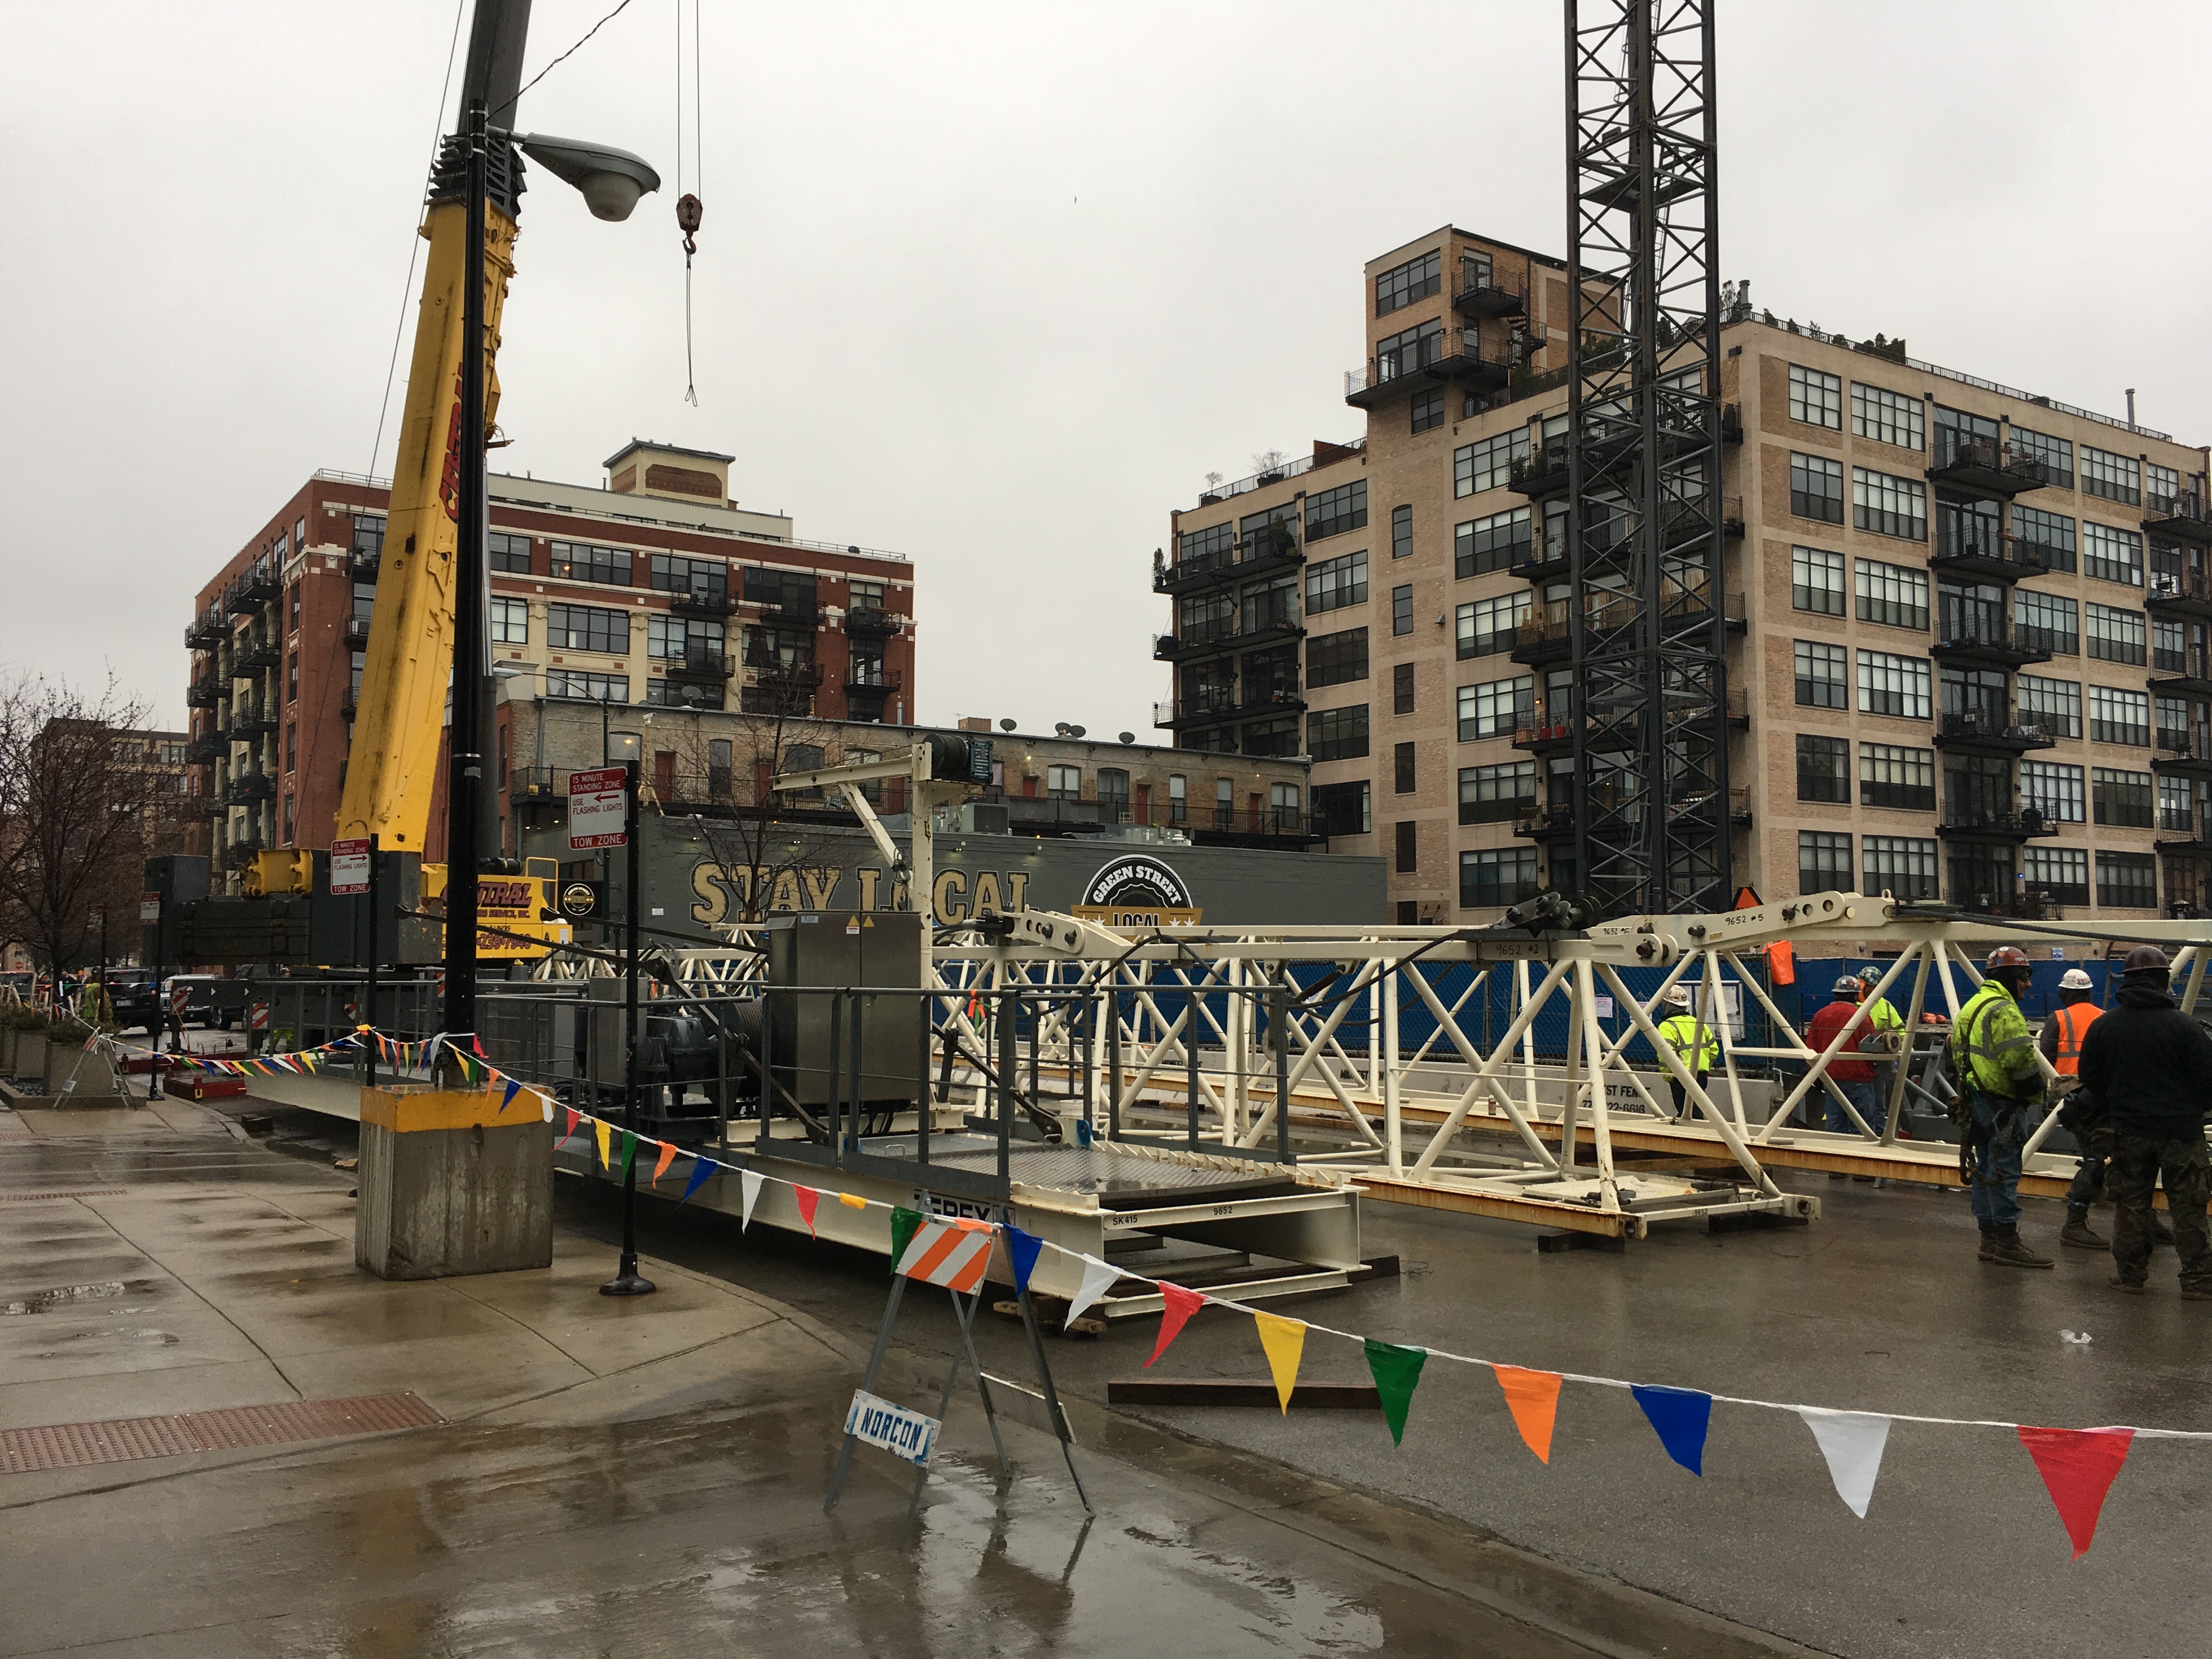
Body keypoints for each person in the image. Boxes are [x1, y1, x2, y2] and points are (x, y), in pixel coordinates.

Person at [2076, 945, 2212, 1297]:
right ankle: (2198, 1280)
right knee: (2189, 1207)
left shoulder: (2105, 1027)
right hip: (2181, 1133)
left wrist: (2120, 1106)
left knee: (2131, 1204)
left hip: (2128, 1132)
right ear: (2164, 980)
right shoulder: (2185, 1028)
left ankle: (2131, 1277)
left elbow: (2090, 1078)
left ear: (2128, 981)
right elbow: (2209, 1081)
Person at [1949, 946, 2051, 1268]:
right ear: (2008, 977)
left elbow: (1957, 1052)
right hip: (2001, 1105)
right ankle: (2008, 1242)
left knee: (1983, 1169)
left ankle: (1989, 1239)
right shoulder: (2005, 1011)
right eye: (2023, 977)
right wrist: (2036, 1092)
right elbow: (2021, 1060)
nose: (2028, 984)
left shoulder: (1972, 1007)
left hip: (1976, 1101)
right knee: (2004, 1171)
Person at [2043, 968, 2111, 1250]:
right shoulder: (2105, 1018)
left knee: (2095, 1158)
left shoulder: (2058, 1018)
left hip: (2071, 1097)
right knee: (2118, 1154)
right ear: (2090, 992)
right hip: (2103, 1096)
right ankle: (2147, 1219)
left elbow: (2044, 1059)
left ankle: (2075, 1223)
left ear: (2064, 993)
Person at [1806, 975, 1878, 1136]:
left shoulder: (1820, 1016)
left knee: (1835, 1124)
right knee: (1863, 1127)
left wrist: (1815, 1076)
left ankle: (1837, 1155)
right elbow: (1873, 1047)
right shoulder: (1861, 1016)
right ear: (1855, 996)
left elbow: (1811, 1049)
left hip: (1830, 1077)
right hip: (1859, 1078)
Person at [1655, 984, 1719, 1118]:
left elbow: (1666, 1056)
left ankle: (1695, 1136)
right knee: (1696, 1110)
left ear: (1666, 1004)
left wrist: (1669, 1076)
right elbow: (1714, 1049)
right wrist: (1704, 1065)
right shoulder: (1697, 1022)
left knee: (1686, 1113)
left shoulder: (1667, 1026)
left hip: (1680, 1075)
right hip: (1701, 1074)